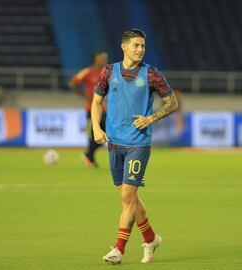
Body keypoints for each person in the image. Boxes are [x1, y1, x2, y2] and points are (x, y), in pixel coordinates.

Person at [91, 29, 178, 264]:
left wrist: (150, 119)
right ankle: (150, 238)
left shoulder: (151, 74)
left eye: (143, 46)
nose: (140, 49)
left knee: (128, 198)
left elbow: (172, 102)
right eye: (136, 45)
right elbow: (96, 101)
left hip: (138, 144)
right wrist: (97, 129)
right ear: (124, 47)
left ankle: (118, 249)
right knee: (129, 197)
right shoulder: (109, 71)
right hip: (114, 144)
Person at [69, 51, 108, 168]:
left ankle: (88, 155)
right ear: (95, 59)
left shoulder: (109, 72)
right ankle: (90, 158)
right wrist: (84, 96)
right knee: (93, 135)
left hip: (105, 109)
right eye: (101, 58)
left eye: (105, 58)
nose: (104, 60)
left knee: (106, 135)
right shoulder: (87, 72)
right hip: (91, 109)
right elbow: (72, 83)